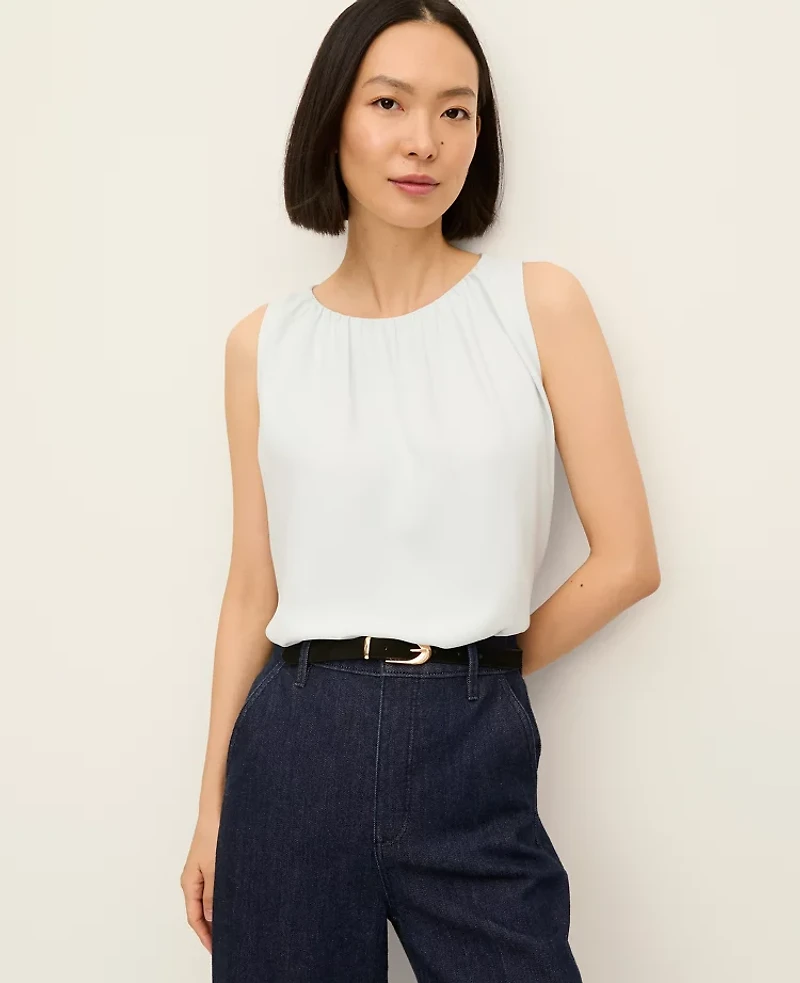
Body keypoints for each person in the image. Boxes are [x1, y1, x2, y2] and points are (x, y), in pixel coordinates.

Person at [180, 1, 661, 980]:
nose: (424, 141)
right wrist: (210, 806)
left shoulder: (538, 304)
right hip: (293, 746)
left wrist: (476, 668)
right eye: (389, 102)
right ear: (333, 119)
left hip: (470, 739)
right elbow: (250, 590)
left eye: (455, 111)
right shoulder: (262, 345)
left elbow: (627, 562)